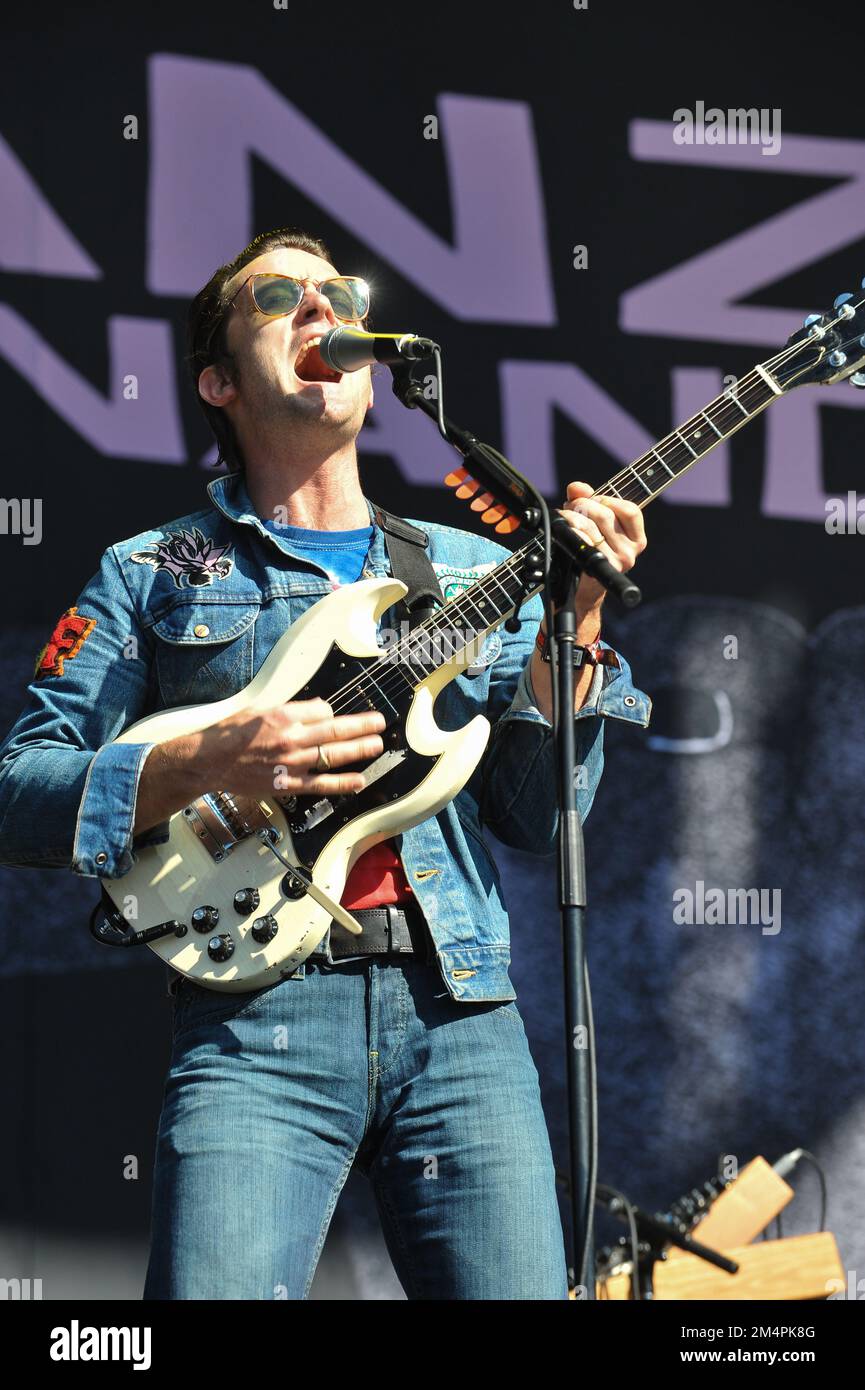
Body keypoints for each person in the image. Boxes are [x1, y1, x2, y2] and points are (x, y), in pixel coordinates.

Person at [0, 227, 650, 1300]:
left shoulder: (471, 569)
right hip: (256, 1020)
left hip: (461, 1017)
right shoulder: (151, 572)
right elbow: (20, 789)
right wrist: (205, 758)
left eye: (336, 291)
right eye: (279, 295)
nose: (322, 308)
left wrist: (567, 633)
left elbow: (538, 819)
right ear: (217, 378)